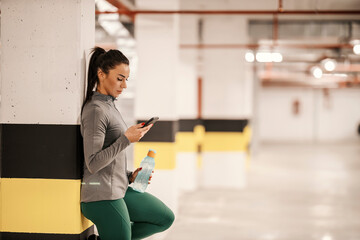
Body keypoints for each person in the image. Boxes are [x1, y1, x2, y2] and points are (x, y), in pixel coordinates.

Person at [80, 47, 175, 240]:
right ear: (101, 74)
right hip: (101, 195)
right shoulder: (96, 110)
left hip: (120, 188)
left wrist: (130, 175)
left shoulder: (110, 106)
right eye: (119, 78)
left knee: (165, 218)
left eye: (126, 80)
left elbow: (111, 158)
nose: (123, 85)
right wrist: (126, 140)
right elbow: (93, 163)